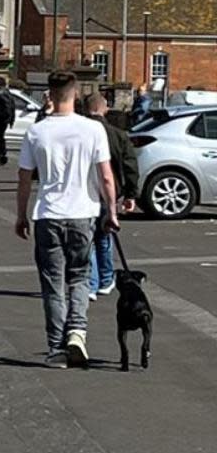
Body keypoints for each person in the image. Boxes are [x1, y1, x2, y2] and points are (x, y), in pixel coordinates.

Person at [15, 71, 119, 369]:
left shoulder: (36, 132)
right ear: (75, 95)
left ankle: (56, 348)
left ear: (49, 94)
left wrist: (21, 215)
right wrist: (110, 212)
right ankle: (77, 331)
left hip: (48, 214)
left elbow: (24, 179)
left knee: (52, 284)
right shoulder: (92, 130)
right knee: (80, 277)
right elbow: (106, 176)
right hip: (82, 213)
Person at [84, 93, 139, 300]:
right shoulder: (117, 134)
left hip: (84, 191)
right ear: (104, 108)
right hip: (110, 191)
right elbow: (129, 165)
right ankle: (106, 280)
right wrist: (130, 194)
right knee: (104, 236)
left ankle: (91, 282)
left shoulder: (78, 132)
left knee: (88, 239)